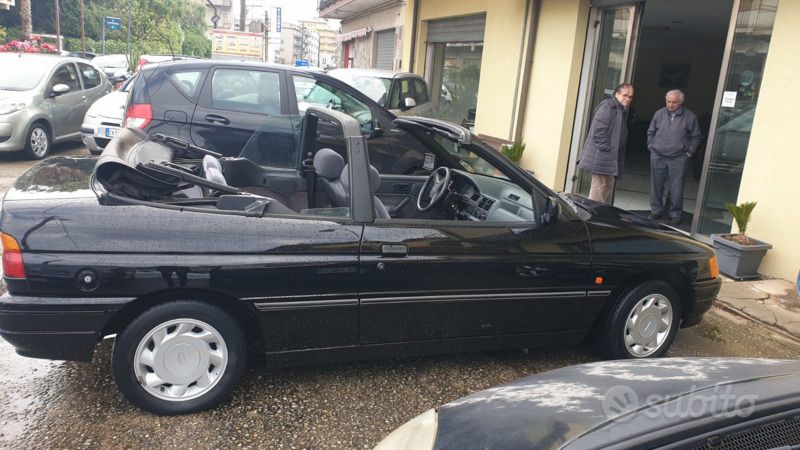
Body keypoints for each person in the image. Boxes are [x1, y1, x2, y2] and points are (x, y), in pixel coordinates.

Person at [647, 89, 702, 225]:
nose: (670, 105)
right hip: (658, 155)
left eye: (674, 102)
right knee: (656, 185)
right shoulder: (659, 114)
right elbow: (651, 132)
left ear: (681, 102)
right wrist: (651, 147)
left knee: (676, 187)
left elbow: (696, 137)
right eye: (668, 101)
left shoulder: (690, 117)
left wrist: (689, 153)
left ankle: (675, 213)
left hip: (679, 158)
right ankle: (656, 211)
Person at [578, 83, 634, 204]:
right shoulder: (607, 107)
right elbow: (598, 132)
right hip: (603, 156)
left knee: (606, 188)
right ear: (616, 94)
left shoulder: (619, 109)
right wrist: (607, 150)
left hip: (610, 157)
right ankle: (592, 217)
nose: (628, 99)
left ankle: (598, 215)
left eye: (630, 97)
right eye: (625, 95)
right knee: (599, 189)